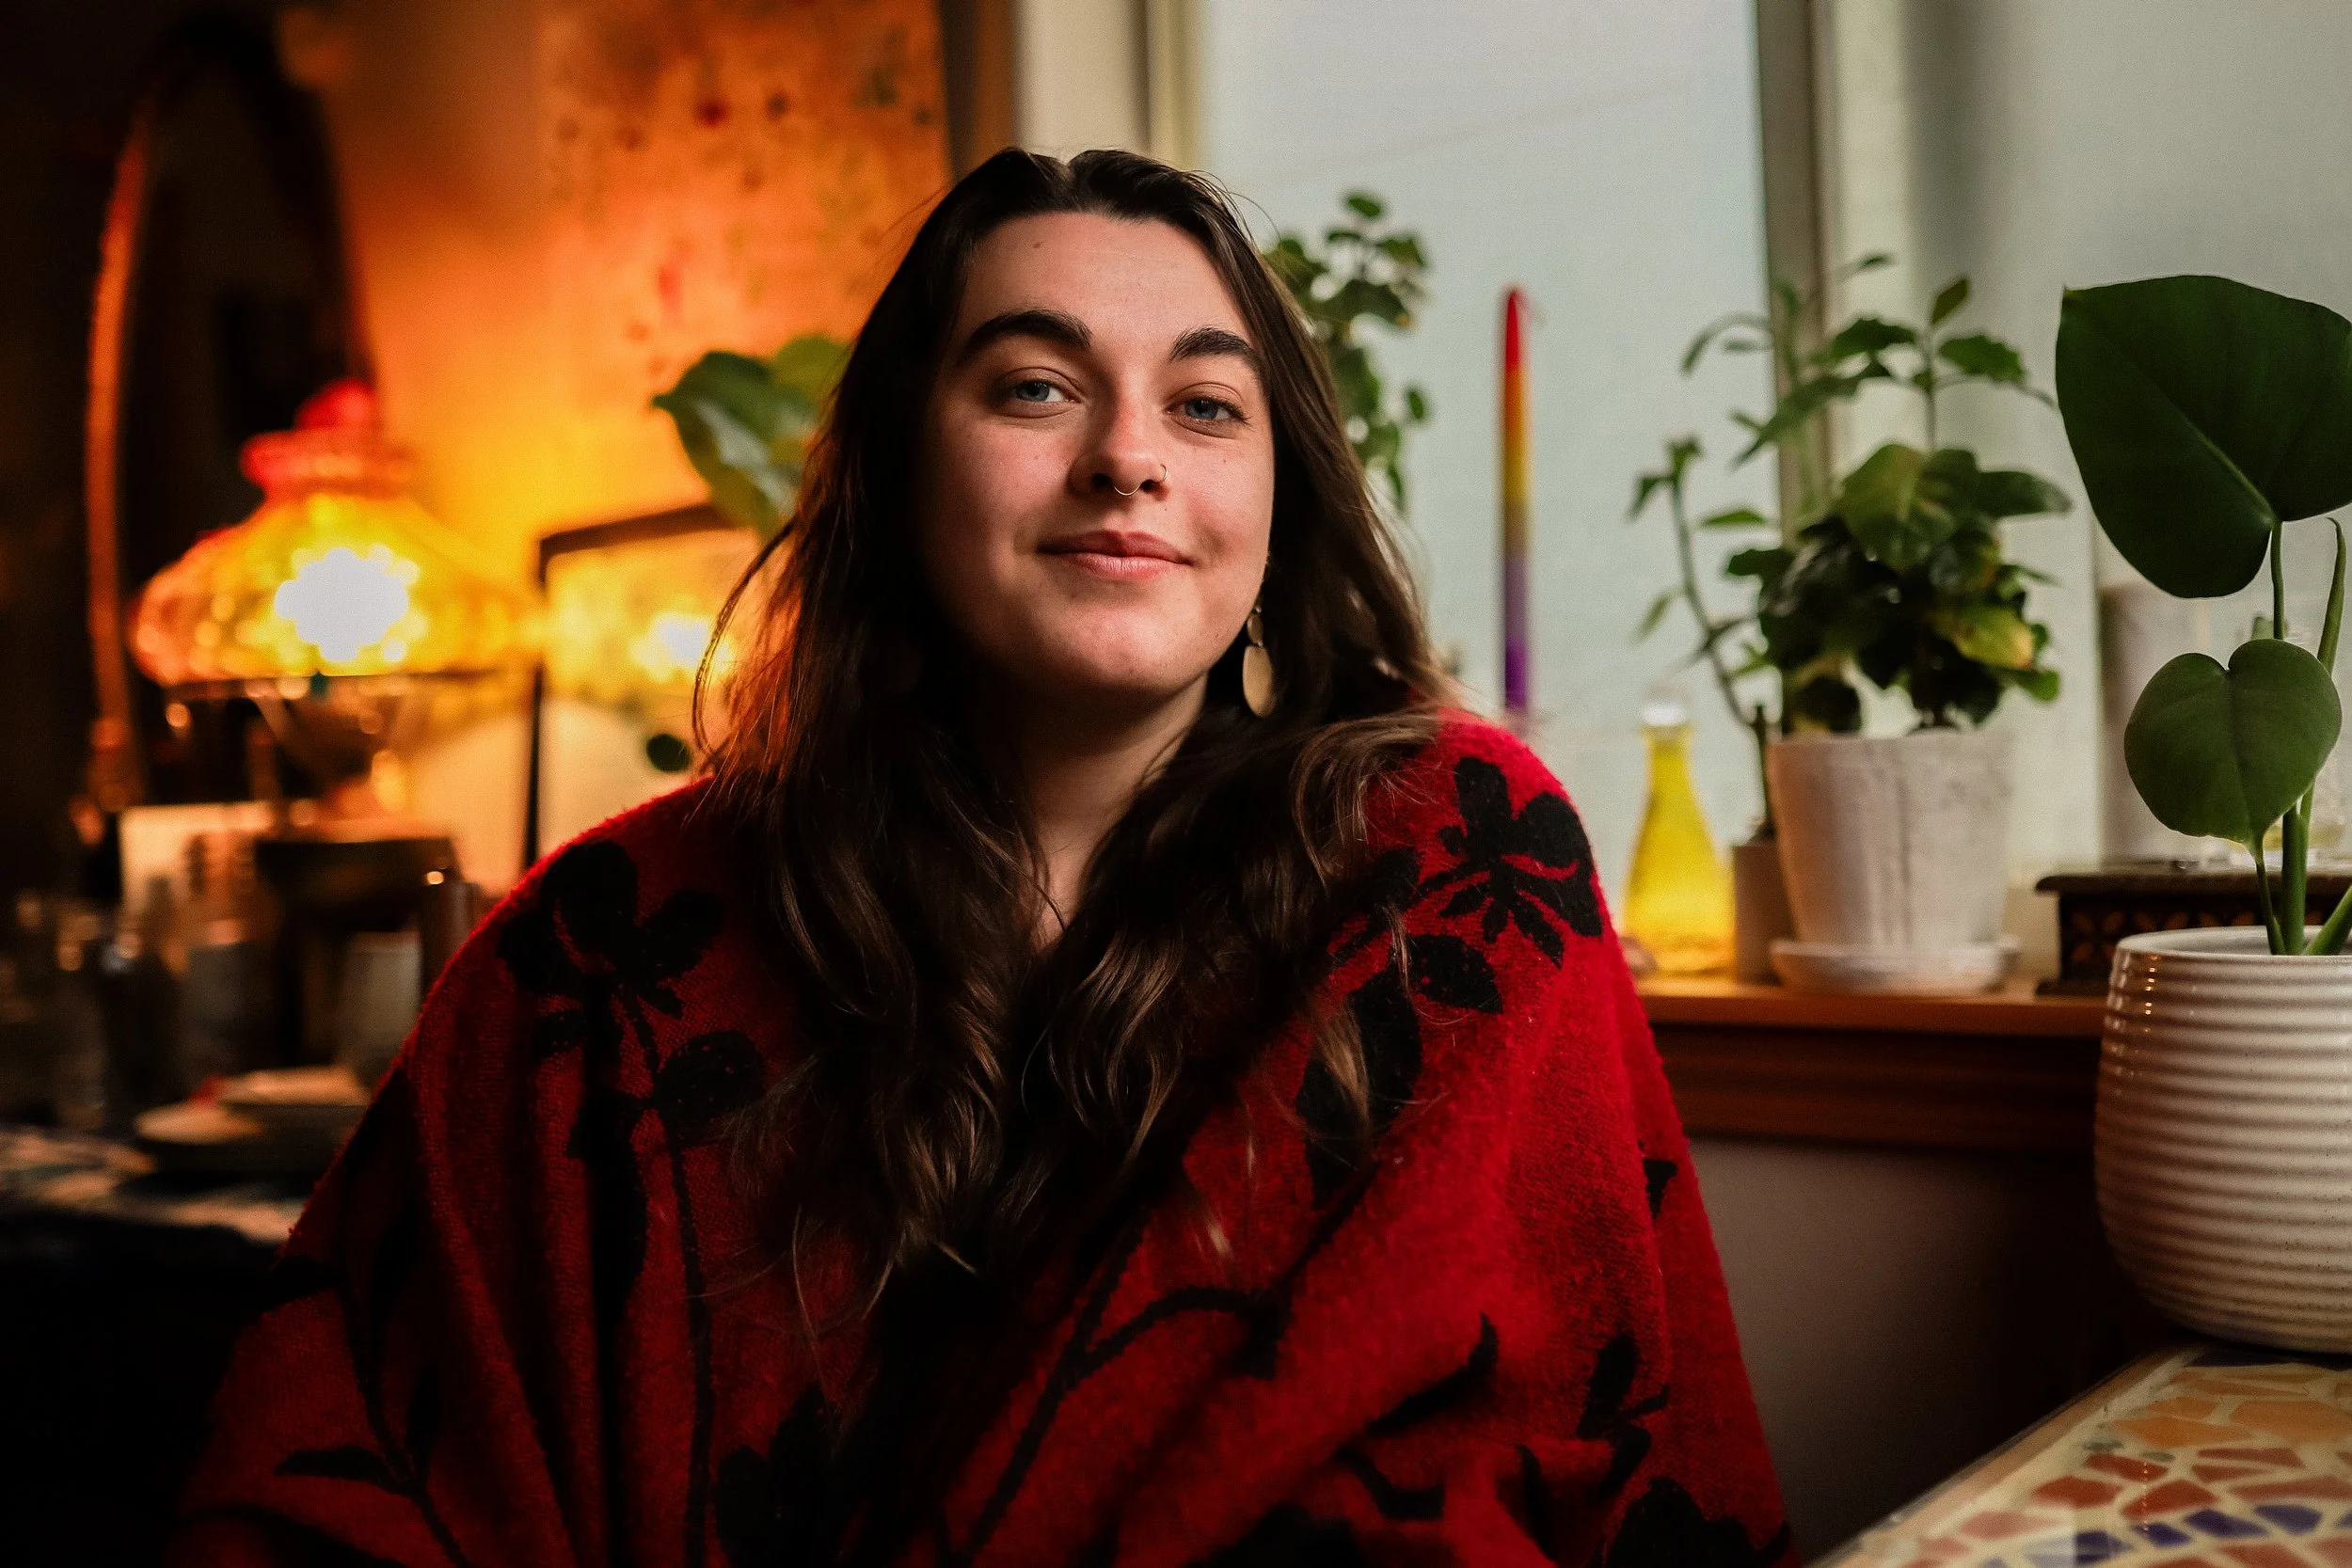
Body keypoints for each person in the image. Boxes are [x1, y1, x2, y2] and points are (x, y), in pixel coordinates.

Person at [171, 149, 1789, 1567]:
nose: (1128, 458)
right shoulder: (605, 948)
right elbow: (339, 1465)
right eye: (1035, 386)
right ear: (891, 472)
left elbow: (1616, 1454)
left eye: (1207, 404)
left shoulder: (1452, 876)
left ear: (1277, 508)